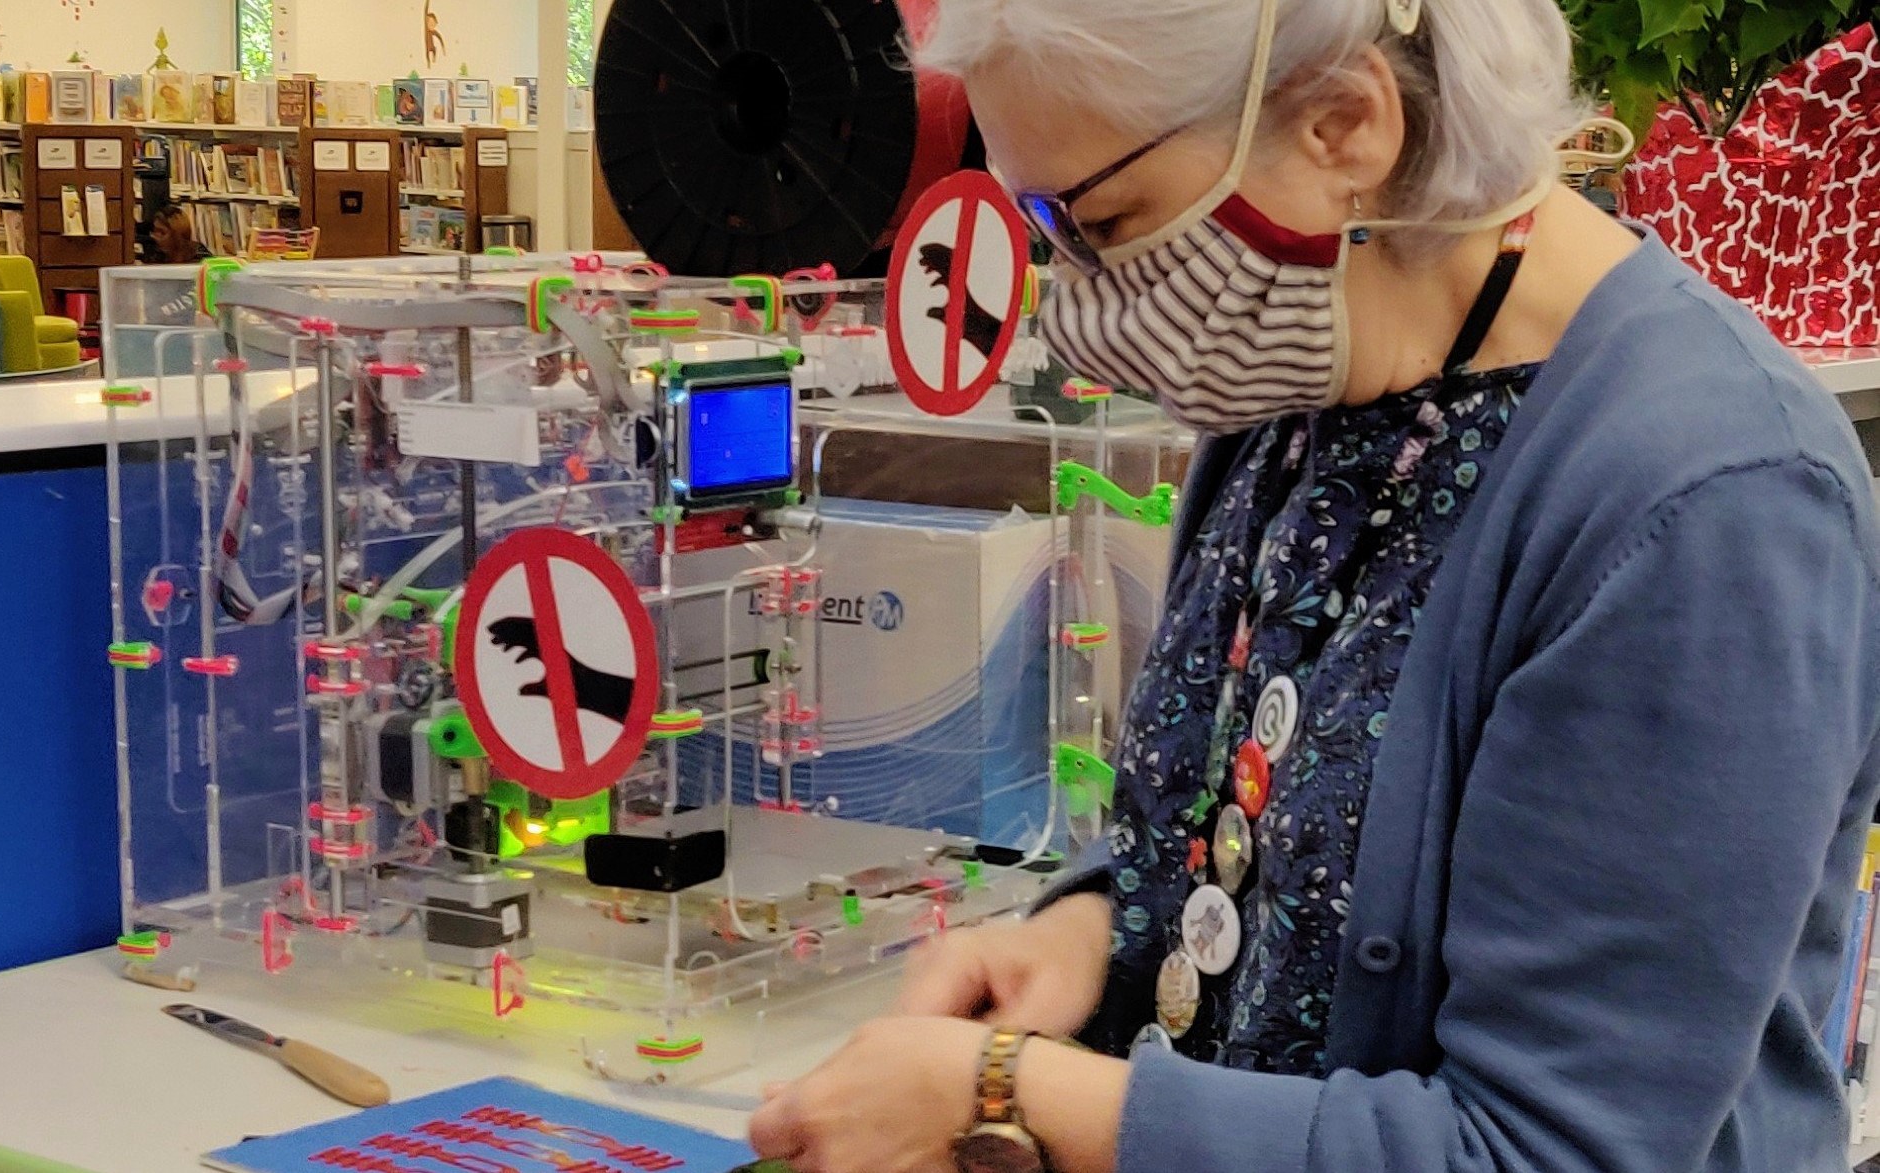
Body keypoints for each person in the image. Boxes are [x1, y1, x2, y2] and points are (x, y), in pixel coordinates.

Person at [748, 0, 1880, 1170]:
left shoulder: (1709, 505)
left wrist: (1001, 1091)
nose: (1073, 302)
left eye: (1103, 222)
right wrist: (1097, 929)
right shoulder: (1309, 383)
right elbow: (1253, 817)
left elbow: (1548, 1150)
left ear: (1344, 123)